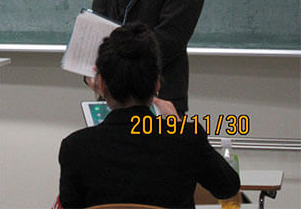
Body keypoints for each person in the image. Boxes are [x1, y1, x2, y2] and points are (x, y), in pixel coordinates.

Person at [59, 23, 240, 209]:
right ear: (157, 84)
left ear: (102, 85)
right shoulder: (186, 139)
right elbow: (228, 187)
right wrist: (175, 124)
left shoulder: (75, 148)